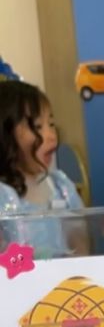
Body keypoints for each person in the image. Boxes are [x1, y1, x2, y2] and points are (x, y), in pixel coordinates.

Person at [0, 81, 85, 256]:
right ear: (6, 136)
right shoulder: (3, 196)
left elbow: (81, 245)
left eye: (51, 124)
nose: (51, 136)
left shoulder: (61, 187)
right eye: (37, 127)